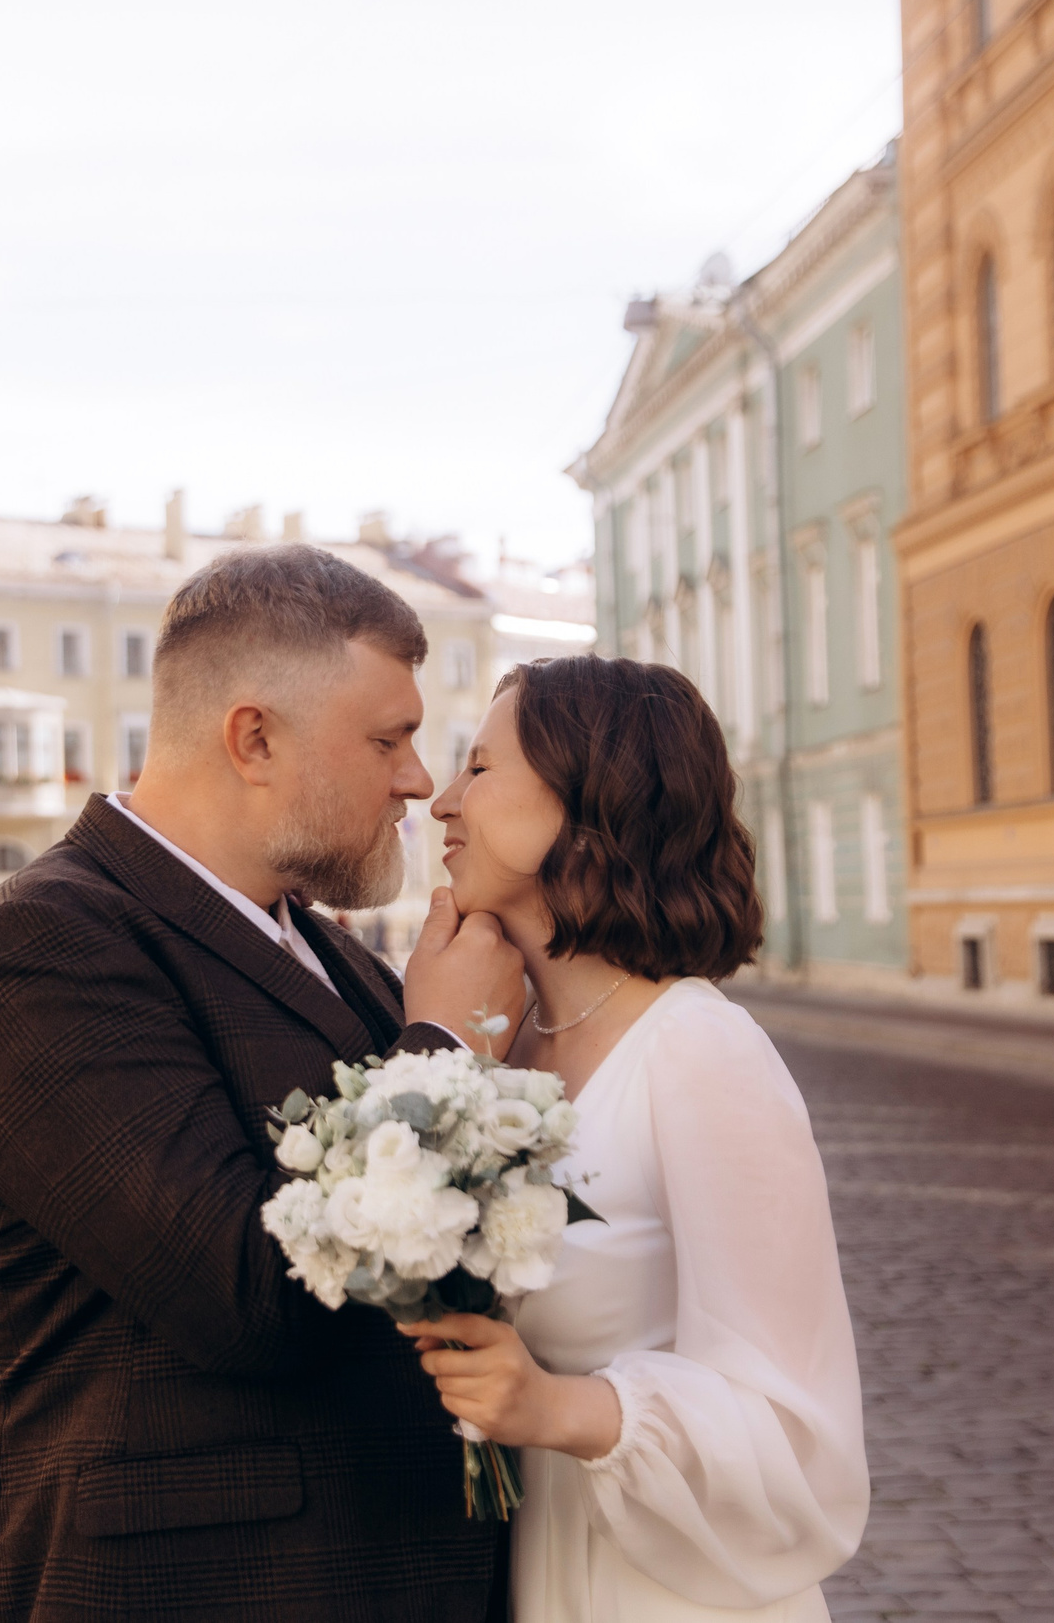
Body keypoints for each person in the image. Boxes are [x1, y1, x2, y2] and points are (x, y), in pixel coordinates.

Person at [0, 546, 527, 1623]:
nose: (417, 780)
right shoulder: (42, 946)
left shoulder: (329, 948)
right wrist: (442, 1045)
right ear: (254, 739)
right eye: (386, 739)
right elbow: (249, 1298)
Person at [401, 655, 869, 1621]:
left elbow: (798, 1436)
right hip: (531, 1570)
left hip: (667, 1588)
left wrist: (557, 1408)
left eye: (478, 768)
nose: (443, 801)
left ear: (588, 803)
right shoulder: (505, 1049)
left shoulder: (701, 1052)